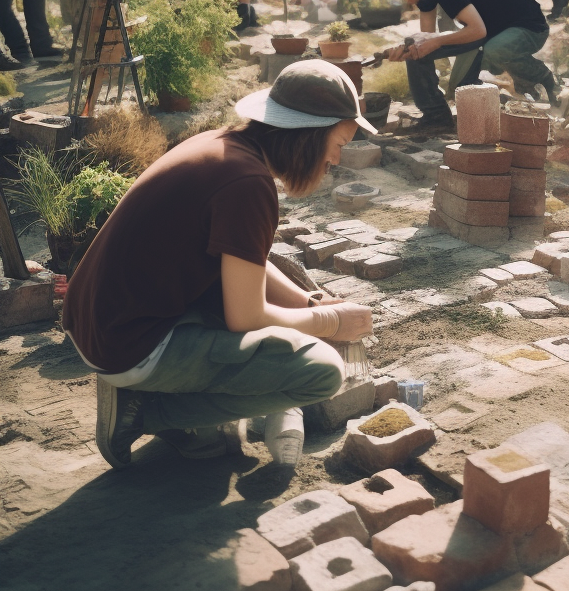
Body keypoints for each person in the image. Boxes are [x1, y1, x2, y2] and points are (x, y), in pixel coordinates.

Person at [62, 60, 375, 469]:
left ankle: (155, 392)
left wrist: (310, 305)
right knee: (321, 373)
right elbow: (245, 316)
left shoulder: (224, 146)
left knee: (269, 310)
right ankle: (145, 410)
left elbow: (249, 258)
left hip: (103, 320)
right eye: (339, 143)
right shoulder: (248, 184)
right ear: (309, 136)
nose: (337, 158)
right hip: (127, 345)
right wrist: (331, 322)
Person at [377, 0, 558, 128]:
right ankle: (436, 116)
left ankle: (542, 81)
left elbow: (477, 31)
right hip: (491, 32)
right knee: (460, 88)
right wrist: (408, 50)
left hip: (529, 28)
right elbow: (427, 41)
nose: (407, 1)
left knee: (495, 50)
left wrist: (436, 42)